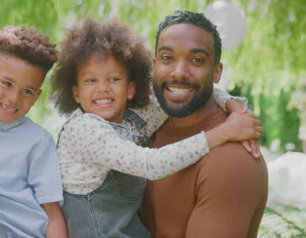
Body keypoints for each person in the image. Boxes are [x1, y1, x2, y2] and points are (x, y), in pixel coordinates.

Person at [50, 18, 263, 238]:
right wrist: (224, 132)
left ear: (130, 89)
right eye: (91, 81)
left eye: (114, 79)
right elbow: (150, 164)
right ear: (75, 93)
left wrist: (234, 108)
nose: (103, 88)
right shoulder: (83, 130)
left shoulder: (137, 118)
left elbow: (186, 90)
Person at [140, 10, 268, 237]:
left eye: (196, 60)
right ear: (154, 65)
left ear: (216, 72)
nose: (178, 72)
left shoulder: (231, 159)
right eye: (167, 58)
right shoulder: (147, 124)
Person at [0, 25, 67, 238]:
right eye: (7, 84)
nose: (14, 98)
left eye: (27, 91)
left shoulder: (38, 142)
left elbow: (52, 214)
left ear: (36, 97)